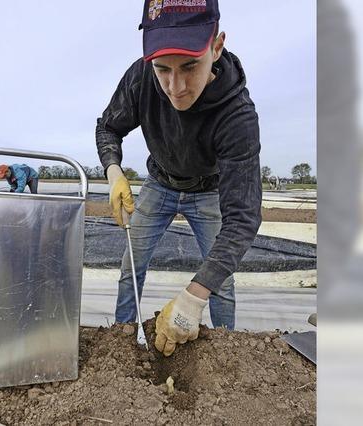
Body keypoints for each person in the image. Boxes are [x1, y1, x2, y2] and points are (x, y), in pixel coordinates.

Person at [95, 0, 262, 357]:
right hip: (159, 184)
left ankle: (223, 354)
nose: (176, 87)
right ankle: (124, 343)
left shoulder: (238, 116)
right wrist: (114, 172)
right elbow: (108, 127)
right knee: (131, 268)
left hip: (208, 191)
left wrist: (194, 295)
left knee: (223, 284)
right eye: (162, 69)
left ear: (215, 47)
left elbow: (243, 219)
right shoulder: (140, 78)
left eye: (190, 66)